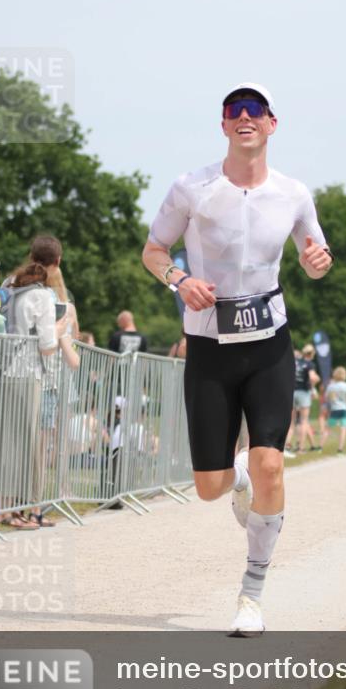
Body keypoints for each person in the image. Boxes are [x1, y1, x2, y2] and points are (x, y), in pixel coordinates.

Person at [142, 82, 333, 636]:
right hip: (208, 345)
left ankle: (252, 593)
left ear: (273, 125)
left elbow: (315, 257)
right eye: (235, 110)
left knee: (271, 461)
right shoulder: (192, 188)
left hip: (270, 342)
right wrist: (179, 279)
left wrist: (319, 261)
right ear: (223, 125)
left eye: (256, 110)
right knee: (209, 486)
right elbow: (153, 250)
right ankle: (238, 473)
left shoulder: (294, 194)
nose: (245, 117)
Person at [0, 262, 79, 529]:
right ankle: (19, 512)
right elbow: (47, 346)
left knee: (11, 445)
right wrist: (60, 328)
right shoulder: (39, 296)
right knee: (28, 447)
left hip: (4, 372)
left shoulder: (9, 294)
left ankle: (6, 511)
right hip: (27, 373)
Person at [292, 344, 321, 452]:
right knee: (304, 421)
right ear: (312, 354)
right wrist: (314, 386)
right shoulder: (310, 364)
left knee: (293, 422)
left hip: (292, 392)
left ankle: (288, 446)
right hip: (303, 392)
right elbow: (313, 378)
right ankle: (301, 448)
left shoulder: (296, 361)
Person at [326, 367, 346, 452]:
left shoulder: (331, 386)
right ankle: (340, 448)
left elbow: (327, 397)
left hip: (334, 409)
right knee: (343, 429)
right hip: (344, 409)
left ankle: (320, 447)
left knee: (328, 428)